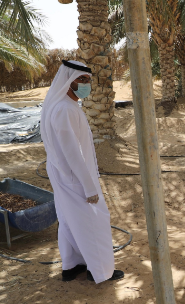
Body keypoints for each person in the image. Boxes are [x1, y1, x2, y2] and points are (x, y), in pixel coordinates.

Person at [40, 60, 123, 283]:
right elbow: (72, 152)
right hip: (75, 177)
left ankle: (71, 265)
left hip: (63, 174)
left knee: (69, 219)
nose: (86, 84)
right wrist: (89, 186)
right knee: (94, 220)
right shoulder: (64, 109)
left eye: (88, 80)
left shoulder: (63, 106)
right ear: (69, 81)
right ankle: (102, 271)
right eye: (81, 79)